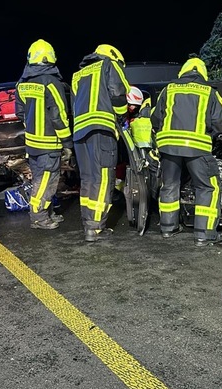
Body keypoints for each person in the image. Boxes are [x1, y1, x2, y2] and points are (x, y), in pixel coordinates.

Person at [150, 57, 222, 246]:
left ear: (183, 72)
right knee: (207, 187)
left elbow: (155, 118)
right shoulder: (209, 91)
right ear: (203, 73)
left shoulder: (168, 89)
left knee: (170, 184)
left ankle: (168, 228)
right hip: (197, 147)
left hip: (168, 147)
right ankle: (204, 235)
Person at [71, 44, 130, 242]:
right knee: (103, 178)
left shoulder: (78, 74)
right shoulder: (109, 65)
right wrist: (122, 118)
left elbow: (74, 105)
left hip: (80, 133)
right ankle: (96, 229)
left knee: (88, 179)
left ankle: (89, 223)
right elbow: (117, 95)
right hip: (101, 130)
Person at [14, 39, 73, 230]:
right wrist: (67, 142)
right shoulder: (52, 82)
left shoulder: (22, 83)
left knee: (40, 179)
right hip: (49, 143)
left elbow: (20, 113)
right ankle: (38, 216)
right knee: (47, 181)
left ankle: (46, 212)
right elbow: (59, 115)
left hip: (32, 143)